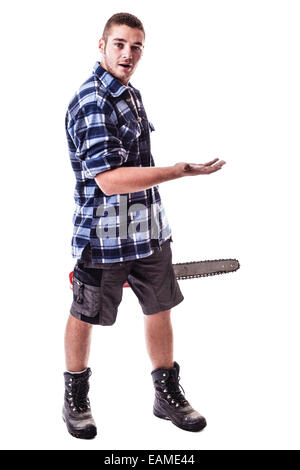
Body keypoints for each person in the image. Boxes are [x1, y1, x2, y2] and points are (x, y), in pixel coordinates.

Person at [64, 12, 225, 440]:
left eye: (135, 46)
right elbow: (110, 180)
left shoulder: (130, 95)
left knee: (160, 307)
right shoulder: (92, 101)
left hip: (148, 231)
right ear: (101, 46)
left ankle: (165, 393)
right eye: (119, 44)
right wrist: (179, 171)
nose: (127, 54)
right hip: (103, 237)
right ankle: (75, 397)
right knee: (85, 313)